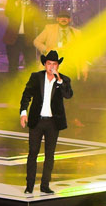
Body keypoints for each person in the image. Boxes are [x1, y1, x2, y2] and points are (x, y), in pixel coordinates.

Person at [19, 50, 73, 195]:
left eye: (54, 64)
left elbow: (68, 95)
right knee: (33, 153)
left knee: (50, 155)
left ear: (58, 66)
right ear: (44, 64)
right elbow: (26, 95)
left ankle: (45, 185)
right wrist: (23, 112)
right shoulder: (36, 77)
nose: (51, 67)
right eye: (49, 64)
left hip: (52, 123)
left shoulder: (63, 80)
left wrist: (59, 80)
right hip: (37, 121)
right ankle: (29, 185)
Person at [4, 0, 44, 72]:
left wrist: (31, 8)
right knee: (13, 64)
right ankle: (13, 81)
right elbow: (7, 13)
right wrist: (18, 2)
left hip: (28, 37)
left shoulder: (34, 3)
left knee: (30, 65)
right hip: (13, 37)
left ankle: (30, 81)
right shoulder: (11, 1)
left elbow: (38, 18)